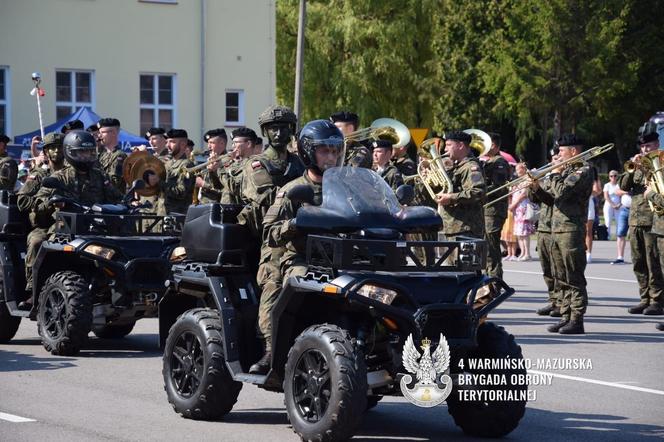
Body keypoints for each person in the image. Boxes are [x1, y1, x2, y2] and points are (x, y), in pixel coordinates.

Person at [252, 119, 344, 375]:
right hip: (301, 258)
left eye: (335, 150)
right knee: (294, 282)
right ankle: (273, 351)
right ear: (308, 152)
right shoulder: (292, 190)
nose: (331, 157)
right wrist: (294, 223)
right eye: (325, 150)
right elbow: (270, 232)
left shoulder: (345, 189)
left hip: (345, 258)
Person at [26, 131, 122, 307]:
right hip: (65, 227)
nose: (86, 157)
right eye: (81, 153)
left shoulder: (99, 176)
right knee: (37, 242)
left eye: (90, 152)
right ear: (70, 152)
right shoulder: (59, 177)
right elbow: (38, 204)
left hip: (98, 227)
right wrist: (53, 203)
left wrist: (128, 202)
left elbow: (115, 197)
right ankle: (34, 289)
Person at [242, 105, 305, 375]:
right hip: (273, 238)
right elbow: (269, 199)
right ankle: (270, 350)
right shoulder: (257, 163)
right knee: (274, 282)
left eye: (284, 128)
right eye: (273, 128)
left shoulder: (302, 162)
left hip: (305, 235)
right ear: (265, 132)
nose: (279, 133)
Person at [531, 134, 593, 334]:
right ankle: (566, 315)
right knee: (561, 276)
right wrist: (536, 188)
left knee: (573, 276)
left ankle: (577, 319)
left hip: (571, 230)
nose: (558, 155)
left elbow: (562, 192)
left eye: (561, 151)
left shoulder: (584, 170)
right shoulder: (566, 170)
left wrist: (555, 173)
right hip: (556, 229)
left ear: (573, 152)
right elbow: (551, 200)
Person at [17, 132, 67, 307]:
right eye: (51, 148)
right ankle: (33, 290)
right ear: (45, 152)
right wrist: (47, 204)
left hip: (72, 222)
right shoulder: (39, 175)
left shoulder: (74, 173)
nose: (55, 151)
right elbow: (22, 201)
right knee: (36, 241)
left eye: (59, 147)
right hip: (45, 224)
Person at [619, 130, 664, 315]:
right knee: (638, 262)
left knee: (653, 263)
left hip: (653, 220)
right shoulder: (636, 164)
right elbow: (623, 186)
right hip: (636, 220)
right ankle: (644, 298)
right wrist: (634, 168)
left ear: (657, 145)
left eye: (649, 145)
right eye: (643, 146)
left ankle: (657, 300)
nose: (645, 149)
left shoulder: (660, 162)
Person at [435, 131, 486, 240]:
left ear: (461, 145)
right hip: (455, 227)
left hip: (466, 228)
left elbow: (477, 192)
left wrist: (450, 197)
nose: (445, 149)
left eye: (449, 145)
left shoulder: (470, 167)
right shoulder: (457, 167)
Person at [530, 150, 562, 317]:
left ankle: (562, 302)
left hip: (556, 227)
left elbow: (553, 199)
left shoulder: (563, 178)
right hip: (543, 226)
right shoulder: (549, 177)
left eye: (558, 158)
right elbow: (537, 200)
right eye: (553, 158)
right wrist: (533, 185)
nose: (554, 161)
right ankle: (553, 300)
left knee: (558, 269)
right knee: (547, 268)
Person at [147, 129, 195, 215]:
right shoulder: (167, 164)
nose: (168, 145)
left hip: (176, 216)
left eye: (172, 142)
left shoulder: (186, 165)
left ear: (183, 144)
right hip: (161, 213)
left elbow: (181, 192)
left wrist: (159, 182)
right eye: (167, 142)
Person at [483, 132, 511, 278]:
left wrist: (477, 190)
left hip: (493, 211)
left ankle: (494, 281)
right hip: (487, 210)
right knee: (486, 248)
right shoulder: (489, 161)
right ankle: (489, 279)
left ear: (493, 145)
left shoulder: (499, 162)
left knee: (491, 249)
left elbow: (497, 187)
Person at [221, 127, 258, 204]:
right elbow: (218, 187)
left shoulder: (254, 164)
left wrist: (219, 168)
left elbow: (235, 188)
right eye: (233, 143)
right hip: (226, 209)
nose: (233, 146)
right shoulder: (234, 163)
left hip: (240, 211)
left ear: (248, 144)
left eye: (236, 142)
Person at [509, 163, 535, 261]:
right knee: (519, 232)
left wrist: (513, 204)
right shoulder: (518, 180)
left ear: (523, 169)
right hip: (518, 209)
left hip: (523, 207)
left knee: (524, 232)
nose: (516, 171)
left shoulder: (527, 179)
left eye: (518, 169)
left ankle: (527, 253)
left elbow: (523, 194)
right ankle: (522, 252)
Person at [196, 128, 230, 204]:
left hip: (217, 205)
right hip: (204, 203)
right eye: (208, 143)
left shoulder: (228, 161)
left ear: (221, 143)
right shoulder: (210, 159)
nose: (209, 146)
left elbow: (226, 189)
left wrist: (203, 184)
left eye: (212, 143)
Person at [97, 118, 127, 193]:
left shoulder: (120, 155)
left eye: (103, 132)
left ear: (114, 133)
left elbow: (114, 182)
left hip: (114, 202)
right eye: (99, 132)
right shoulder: (101, 154)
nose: (99, 136)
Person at [585, 165, 602, 263]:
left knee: (588, 231)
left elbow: (598, 191)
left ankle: (588, 253)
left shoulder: (594, 179)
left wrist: (589, 191)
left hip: (588, 203)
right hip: (578, 205)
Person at [603, 170, 626, 240]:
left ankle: (618, 236)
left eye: (615, 176)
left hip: (619, 205)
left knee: (619, 221)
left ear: (617, 177)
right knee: (608, 221)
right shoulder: (607, 185)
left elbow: (623, 195)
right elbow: (606, 196)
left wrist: (619, 204)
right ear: (609, 177)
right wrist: (612, 204)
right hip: (609, 204)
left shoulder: (619, 185)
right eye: (611, 176)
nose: (613, 177)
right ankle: (607, 236)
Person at [612, 193, 631, 264]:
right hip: (624, 208)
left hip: (637, 210)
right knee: (620, 233)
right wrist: (626, 192)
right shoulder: (623, 182)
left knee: (636, 234)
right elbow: (617, 191)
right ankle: (620, 257)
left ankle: (640, 258)